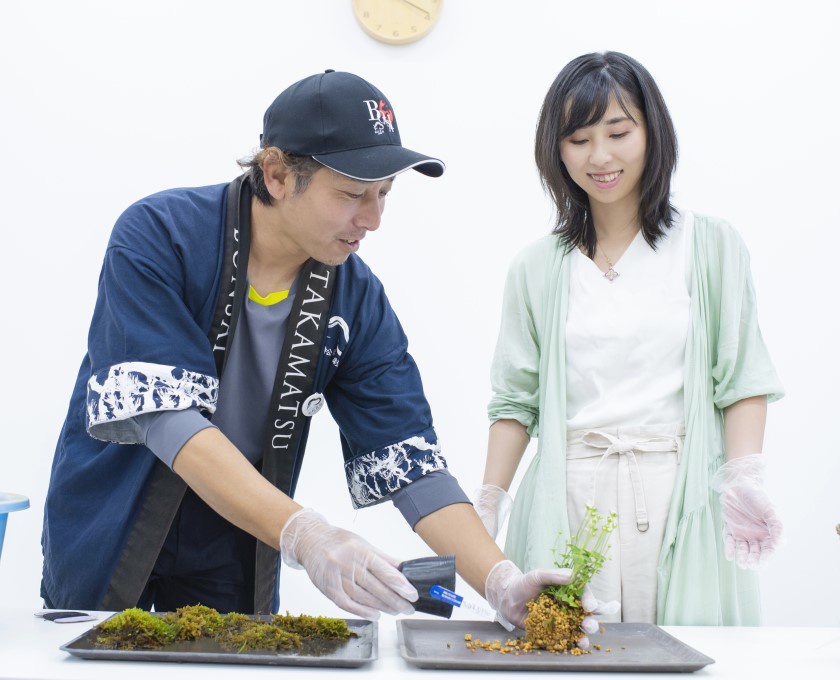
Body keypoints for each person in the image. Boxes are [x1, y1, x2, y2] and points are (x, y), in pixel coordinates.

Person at [40, 69, 596, 637]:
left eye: (384, 195)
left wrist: (500, 582)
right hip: (117, 513)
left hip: (240, 528)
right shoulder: (161, 235)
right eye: (354, 194)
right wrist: (309, 534)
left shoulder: (354, 296)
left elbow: (412, 464)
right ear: (278, 174)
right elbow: (164, 417)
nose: (374, 219)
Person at [473, 52, 784, 626]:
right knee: (567, 649)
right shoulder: (538, 268)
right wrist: (488, 501)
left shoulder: (710, 246)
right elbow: (515, 401)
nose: (601, 157)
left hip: (677, 495)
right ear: (555, 149)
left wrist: (744, 477)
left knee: (683, 648)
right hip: (564, 494)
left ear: (652, 133)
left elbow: (739, 379)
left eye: (619, 132)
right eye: (579, 138)